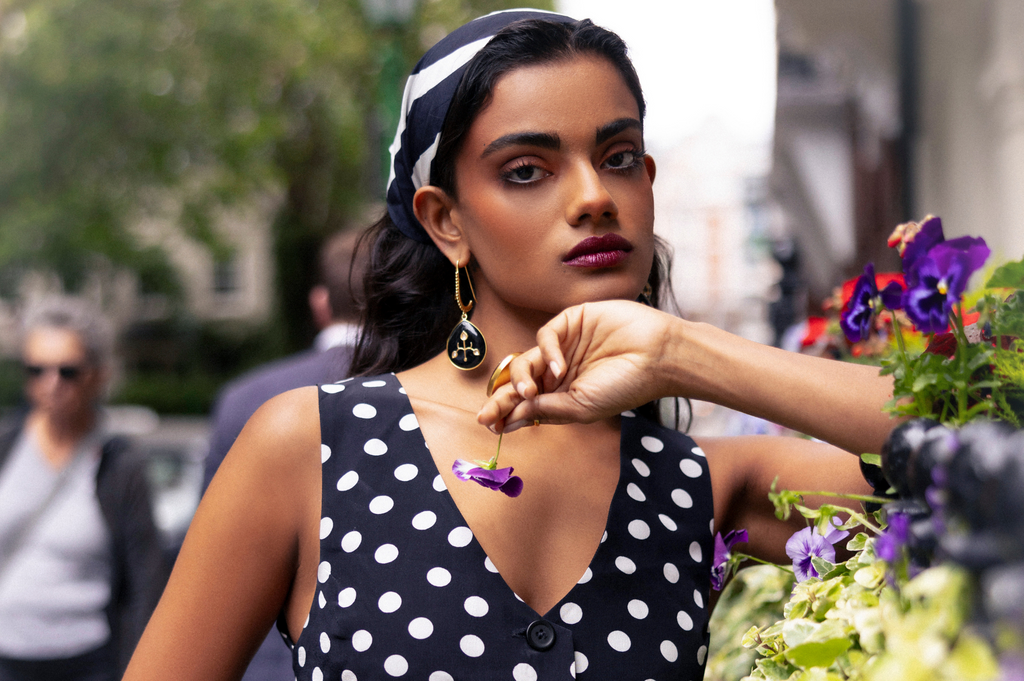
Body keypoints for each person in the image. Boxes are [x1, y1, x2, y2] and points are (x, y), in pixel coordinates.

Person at [124, 11, 893, 681]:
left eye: (619, 157)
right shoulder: (312, 445)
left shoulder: (700, 486)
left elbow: (989, 465)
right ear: (445, 220)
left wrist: (684, 353)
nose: (594, 196)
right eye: (527, 170)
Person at [202, 230, 363, 681]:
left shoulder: (245, 396)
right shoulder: (429, 396)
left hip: (266, 656)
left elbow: (211, 547)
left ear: (319, 304)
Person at [0, 296, 167, 680]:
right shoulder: (6, 448)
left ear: (97, 374)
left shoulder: (119, 464)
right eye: (36, 370)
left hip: (89, 662)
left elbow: (146, 581)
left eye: (68, 371)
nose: (51, 383)